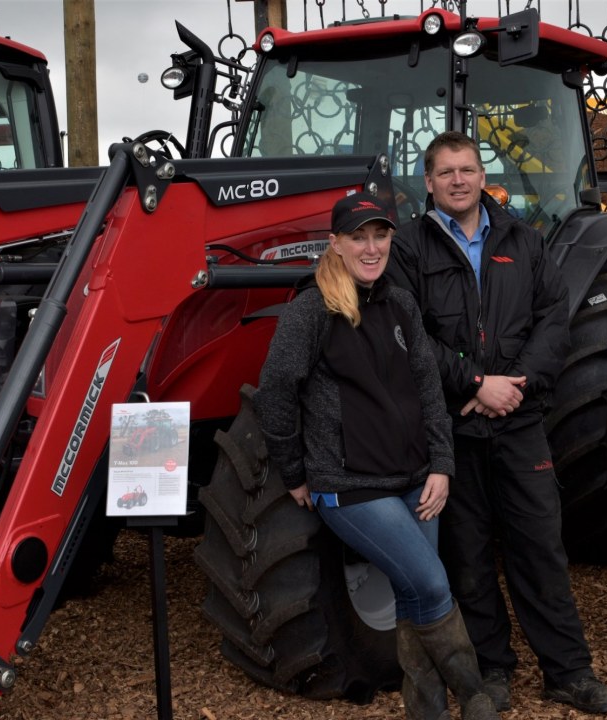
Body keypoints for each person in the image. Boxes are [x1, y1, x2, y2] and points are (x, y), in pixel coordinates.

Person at [386, 131, 607, 715]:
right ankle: (493, 674)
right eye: (446, 172)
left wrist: (512, 388)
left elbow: (553, 320)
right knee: (467, 558)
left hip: (518, 421)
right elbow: (409, 333)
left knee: (540, 547)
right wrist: (472, 386)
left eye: (467, 169)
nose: (458, 180)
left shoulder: (523, 238)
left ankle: (568, 672)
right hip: (454, 429)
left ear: (481, 172)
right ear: (429, 181)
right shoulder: (410, 248)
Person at [254, 191, 499, 720]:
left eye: (380, 235)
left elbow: (428, 388)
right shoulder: (311, 310)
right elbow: (275, 389)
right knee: (433, 584)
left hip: (415, 477)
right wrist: (293, 470)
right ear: (336, 244)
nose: (371, 247)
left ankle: (426, 711)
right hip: (350, 485)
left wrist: (441, 465)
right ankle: (475, 695)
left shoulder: (399, 302)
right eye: (358, 237)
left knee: (414, 598)